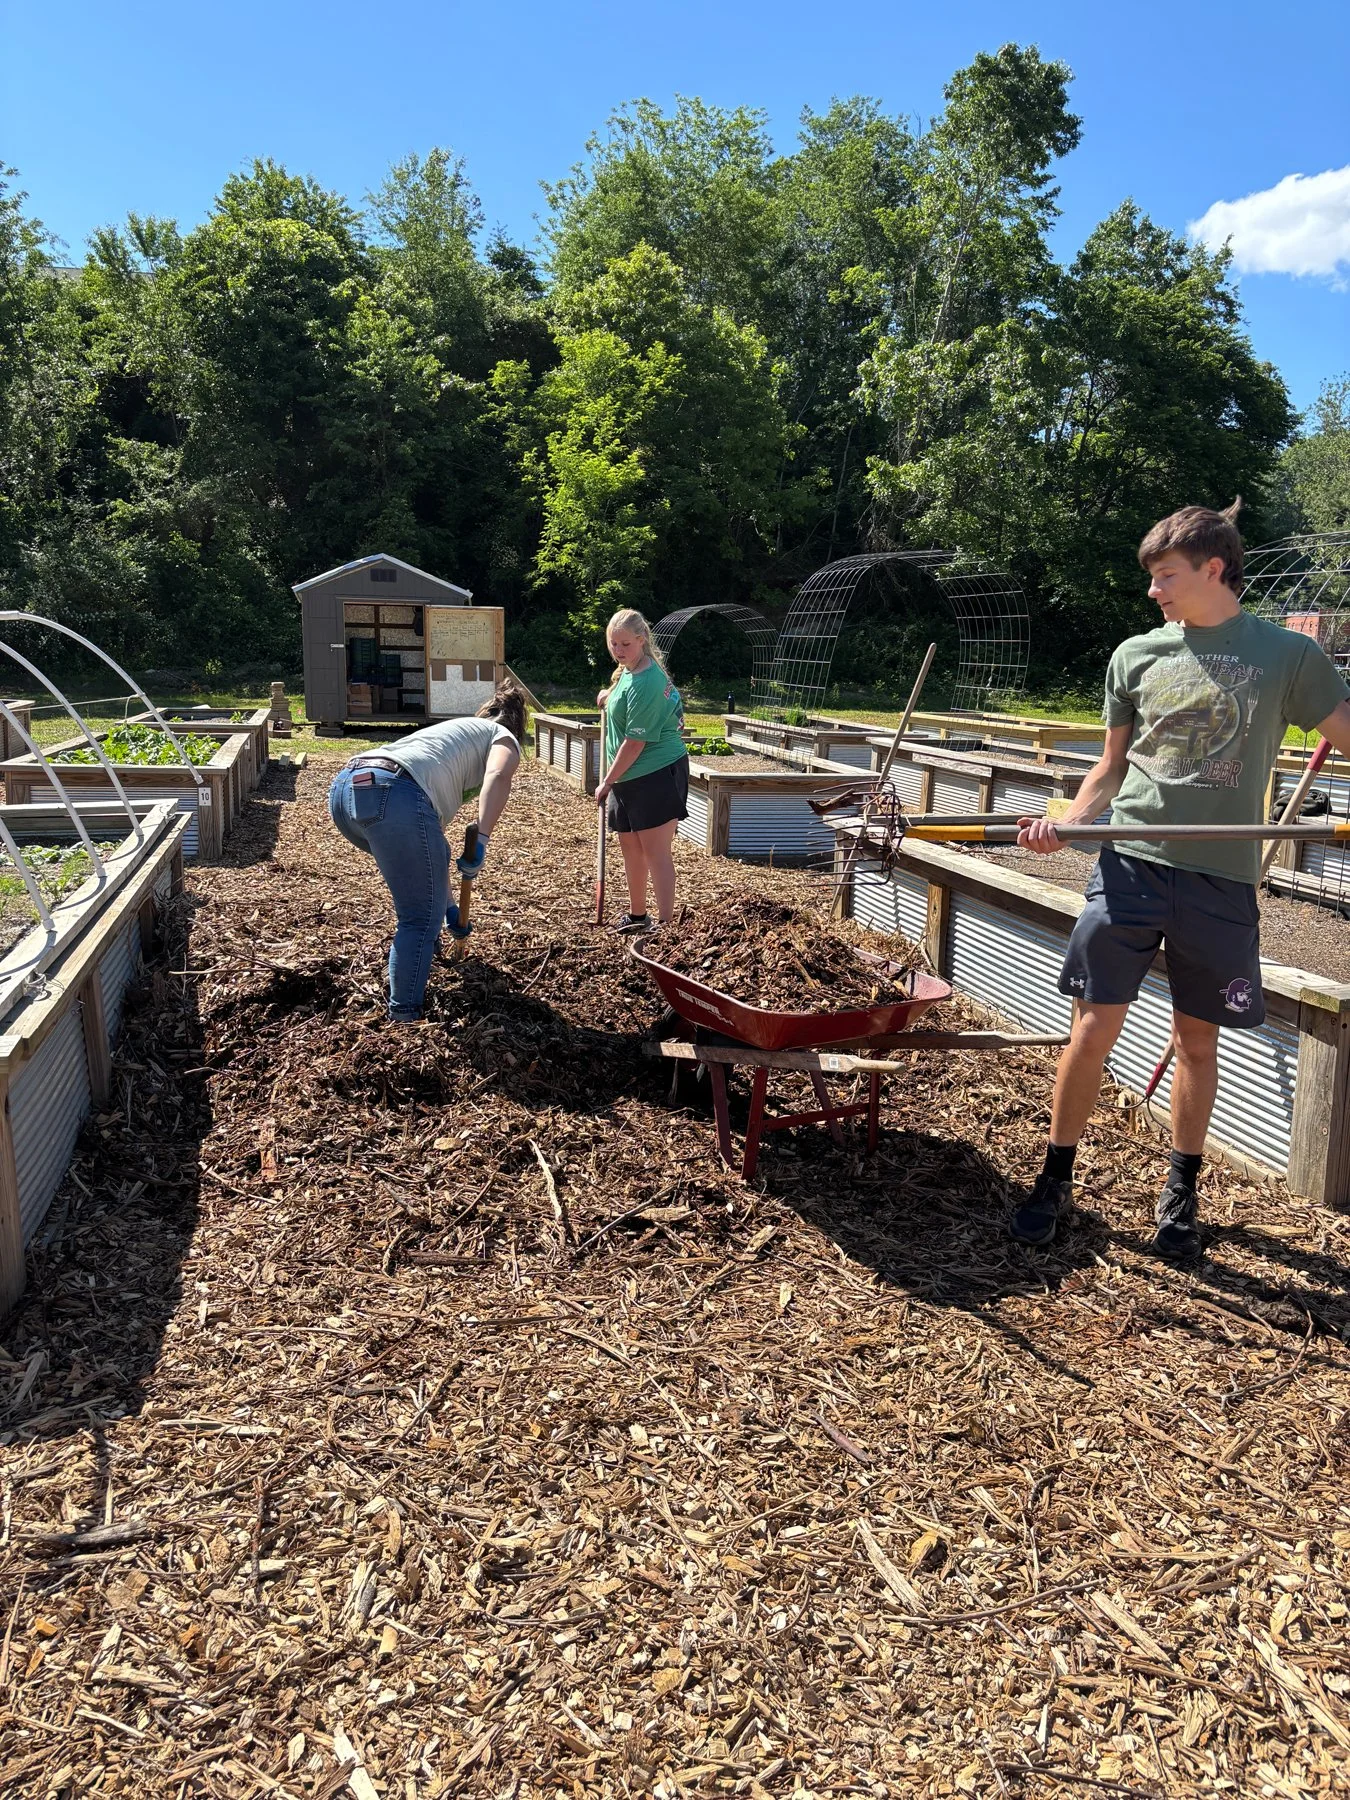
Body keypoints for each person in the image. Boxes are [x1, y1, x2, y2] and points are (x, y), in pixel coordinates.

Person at [1011, 500, 1350, 1258]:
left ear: (1213, 569)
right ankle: (1055, 1179)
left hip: (1219, 879)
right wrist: (1063, 823)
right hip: (1128, 865)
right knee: (1092, 1027)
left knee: (1197, 1040)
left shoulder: (1287, 658)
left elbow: (1347, 733)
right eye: (1154, 579)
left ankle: (1180, 1193)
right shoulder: (1136, 655)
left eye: (1166, 577)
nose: (1154, 592)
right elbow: (1109, 769)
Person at [328, 683, 526, 1022]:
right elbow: (499, 774)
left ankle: (426, 950)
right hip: (394, 792)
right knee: (419, 918)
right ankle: (404, 1017)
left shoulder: (452, 740)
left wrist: (449, 906)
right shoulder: (501, 737)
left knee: (428, 894)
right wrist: (483, 839)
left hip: (347, 790)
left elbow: (434, 854)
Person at [594, 608, 690, 934]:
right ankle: (638, 917)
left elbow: (634, 744)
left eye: (625, 644)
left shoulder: (649, 681)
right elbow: (622, 695)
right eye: (613, 644)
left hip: (656, 773)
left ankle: (665, 927)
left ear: (642, 640)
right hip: (627, 776)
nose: (618, 651)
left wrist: (605, 781)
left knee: (656, 852)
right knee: (630, 848)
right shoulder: (628, 671)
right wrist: (609, 696)